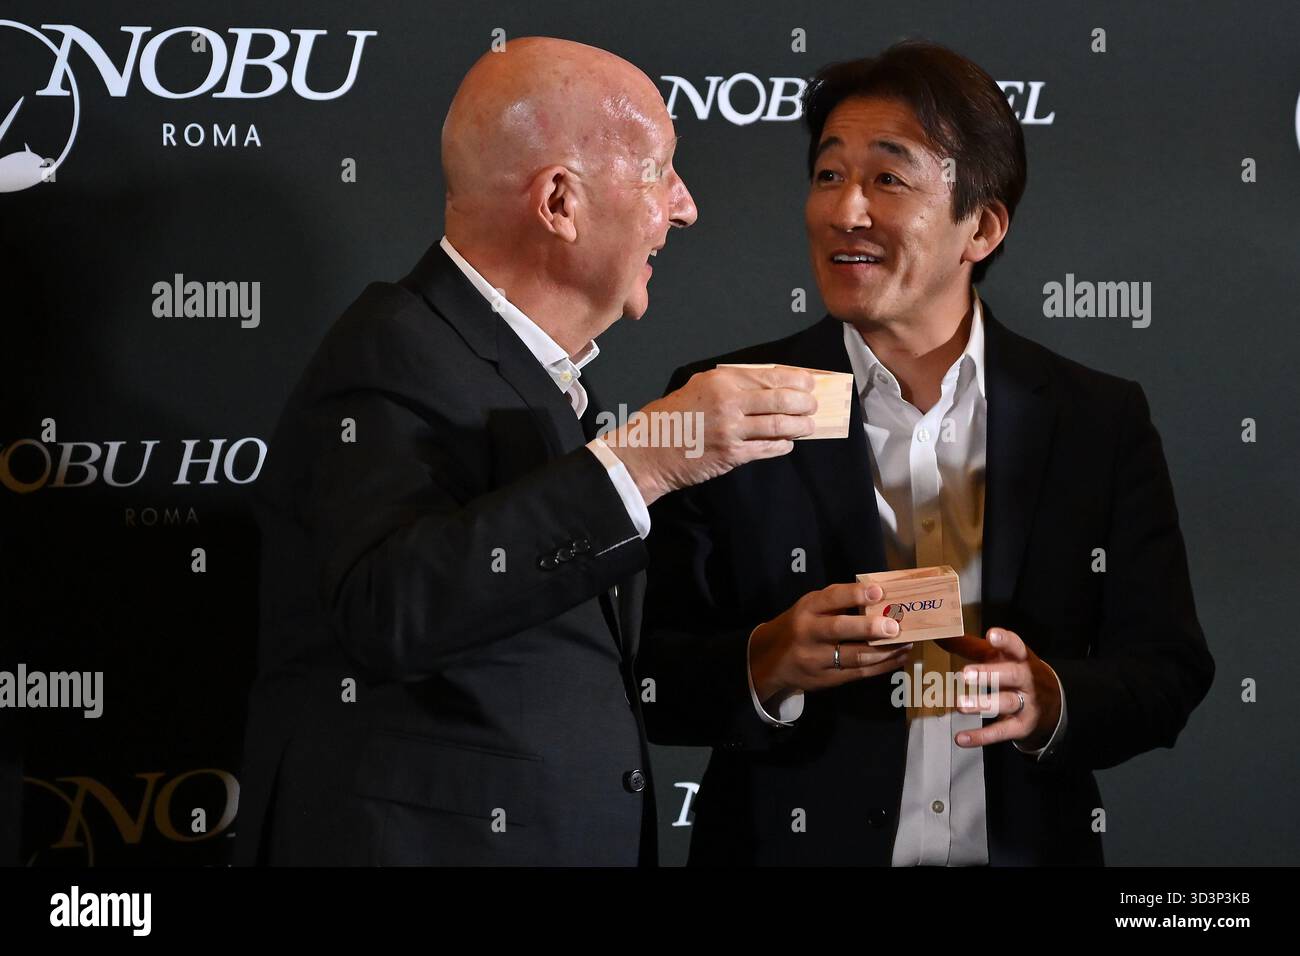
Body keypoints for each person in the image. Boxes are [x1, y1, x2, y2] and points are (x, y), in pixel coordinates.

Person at [233, 36, 817, 866]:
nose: (684, 207)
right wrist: (647, 458)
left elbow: (564, 665)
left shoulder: (524, 376)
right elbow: (388, 608)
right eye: (660, 173)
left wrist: (774, 660)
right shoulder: (393, 349)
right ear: (559, 202)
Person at [638, 40, 1215, 866]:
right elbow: (646, 678)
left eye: (888, 179)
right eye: (829, 175)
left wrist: (1048, 696)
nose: (846, 212)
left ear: (980, 225)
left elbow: (1168, 670)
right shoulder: (725, 399)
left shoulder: (1096, 419)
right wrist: (768, 662)